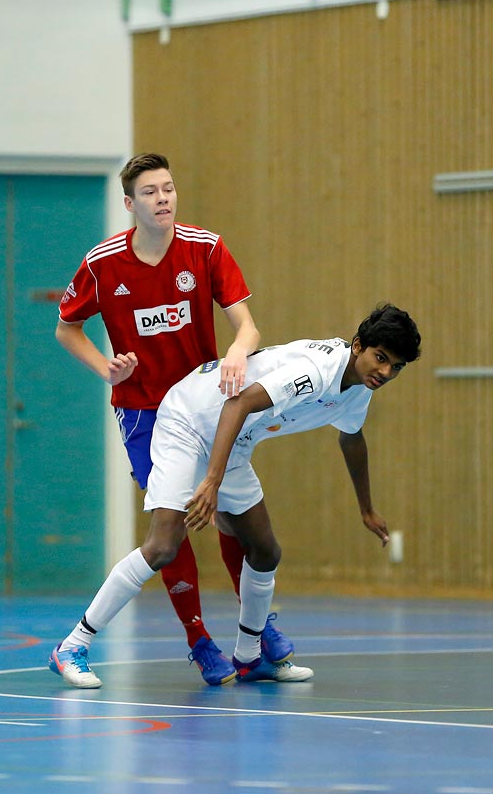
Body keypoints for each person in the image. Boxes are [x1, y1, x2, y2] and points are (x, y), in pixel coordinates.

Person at [48, 304, 421, 688]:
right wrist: (211, 481)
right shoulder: (315, 371)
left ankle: (248, 658)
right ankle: (72, 646)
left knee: (264, 549)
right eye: (381, 359)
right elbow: (238, 402)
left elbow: (351, 437)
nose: (385, 372)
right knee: (163, 545)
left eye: (396, 366)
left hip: (234, 437)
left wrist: (367, 509)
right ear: (358, 346)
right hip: (188, 422)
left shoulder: (359, 387)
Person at [52, 152, 279, 687]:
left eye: (169, 189)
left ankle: (259, 638)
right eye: (151, 192)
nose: (163, 199)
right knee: (169, 531)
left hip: (205, 408)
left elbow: (247, 328)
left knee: (234, 520)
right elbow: (67, 328)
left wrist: (238, 353)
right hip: (145, 414)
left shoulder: (205, 249)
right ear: (130, 204)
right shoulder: (103, 263)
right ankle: (199, 640)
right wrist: (107, 368)